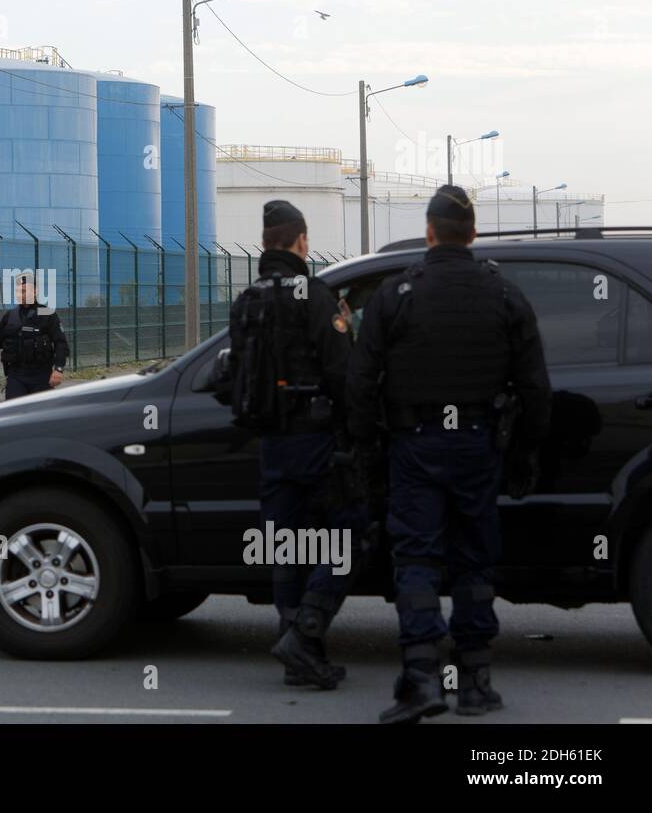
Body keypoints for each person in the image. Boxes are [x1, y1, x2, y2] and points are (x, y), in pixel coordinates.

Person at [347, 185, 551, 724]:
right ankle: (476, 682)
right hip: (479, 445)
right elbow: (535, 388)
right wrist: (525, 453)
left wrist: (365, 452)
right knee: (474, 559)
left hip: (414, 446)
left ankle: (420, 678)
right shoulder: (504, 295)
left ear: (430, 231)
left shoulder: (396, 295)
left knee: (416, 558)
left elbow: (362, 384)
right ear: (474, 234)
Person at [223, 200, 361, 690]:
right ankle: (306, 633)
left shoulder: (247, 299)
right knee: (349, 534)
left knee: (288, 544)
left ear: (264, 244)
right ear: (302, 241)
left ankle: (295, 646)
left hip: (271, 444)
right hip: (317, 440)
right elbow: (344, 373)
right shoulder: (317, 296)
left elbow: (231, 374)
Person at [0, 272, 68, 399]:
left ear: (35, 291)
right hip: (16, 376)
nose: (20, 295)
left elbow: (61, 343)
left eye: (24, 290)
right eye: (18, 291)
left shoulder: (47, 313)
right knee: (14, 415)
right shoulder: (11, 316)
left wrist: (58, 369)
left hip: (41, 376)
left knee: (41, 416)